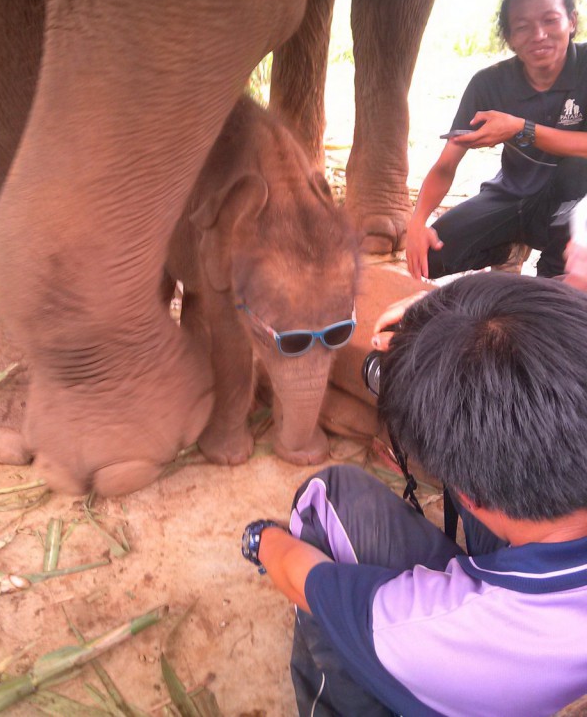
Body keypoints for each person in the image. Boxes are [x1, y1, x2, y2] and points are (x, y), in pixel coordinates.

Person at [241, 272, 587, 716]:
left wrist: (261, 538)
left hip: (483, 668)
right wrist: (455, 318)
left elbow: (309, 583)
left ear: (471, 496)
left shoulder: (432, 632)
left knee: (328, 499)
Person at [406, 0, 587, 280]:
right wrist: (416, 223)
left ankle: (555, 263)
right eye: (522, 27)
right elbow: (447, 164)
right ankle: (508, 248)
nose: (539, 34)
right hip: (513, 195)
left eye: (550, 20)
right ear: (509, 38)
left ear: (571, 21)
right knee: (432, 258)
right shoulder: (488, 84)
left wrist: (520, 128)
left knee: (556, 288)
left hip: (575, 204)